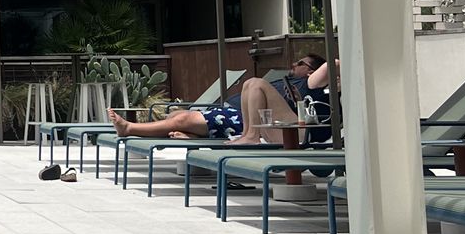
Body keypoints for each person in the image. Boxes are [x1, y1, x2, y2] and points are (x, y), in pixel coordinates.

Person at [107, 54, 333, 143]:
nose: (295, 65)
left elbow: (335, 63)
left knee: (254, 83)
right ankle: (194, 136)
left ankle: (129, 128)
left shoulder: (310, 84)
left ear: (314, 71)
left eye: (301, 63)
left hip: (245, 120)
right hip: (235, 114)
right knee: (177, 115)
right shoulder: (287, 82)